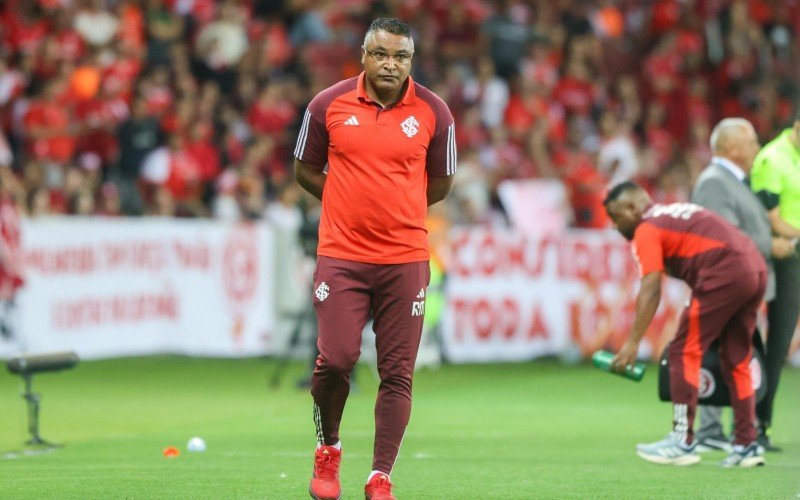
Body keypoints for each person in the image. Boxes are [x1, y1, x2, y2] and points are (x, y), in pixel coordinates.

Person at [293, 18, 456, 500]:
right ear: (364, 54)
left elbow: (442, 183)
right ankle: (328, 448)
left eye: (401, 57)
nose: (391, 64)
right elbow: (304, 168)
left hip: (405, 259)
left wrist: (395, 210)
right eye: (381, 54)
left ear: (411, 60)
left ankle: (380, 475)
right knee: (337, 358)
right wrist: (346, 202)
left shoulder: (434, 112)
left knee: (398, 372)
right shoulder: (328, 104)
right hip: (342, 255)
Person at [604, 181, 767, 467]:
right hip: (754, 267)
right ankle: (745, 444)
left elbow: (651, 287)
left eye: (617, 218)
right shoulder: (672, 214)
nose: (616, 227)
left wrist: (631, 343)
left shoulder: (647, 228)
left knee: (682, 350)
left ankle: (682, 440)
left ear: (632, 207)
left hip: (724, 272)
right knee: (737, 358)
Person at [690, 118, 795, 453]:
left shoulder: (733, 180)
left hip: (740, 282)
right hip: (724, 281)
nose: (756, 149)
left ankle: (729, 429)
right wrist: (770, 245)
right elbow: (724, 234)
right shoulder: (714, 182)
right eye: (750, 143)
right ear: (732, 148)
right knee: (720, 350)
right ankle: (708, 428)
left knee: (735, 350)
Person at [749, 114, 800, 451]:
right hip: (786, 258)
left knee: (779, 342)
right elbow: (769, 217)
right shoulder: (772, 158)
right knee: (779, 341)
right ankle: (757, 423)